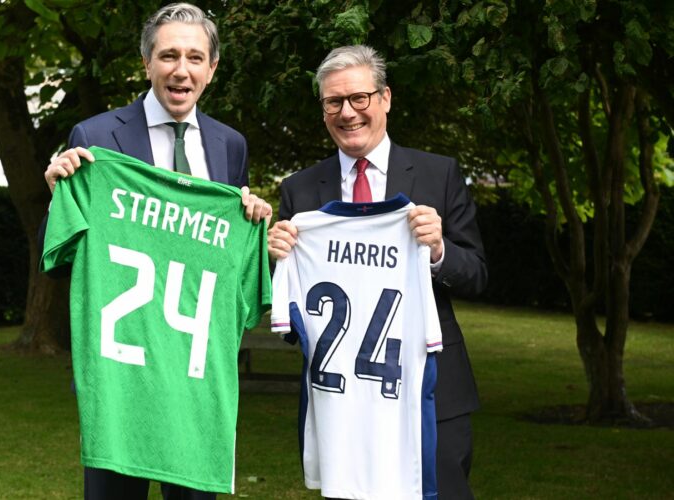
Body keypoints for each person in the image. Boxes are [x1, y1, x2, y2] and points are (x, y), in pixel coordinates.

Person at [41, 4, 271, 499]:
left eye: (195, 57)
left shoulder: (231, 146)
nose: (180, 69)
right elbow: (61, 257)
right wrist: (58, 191)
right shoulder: (96, 138)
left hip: (194, 379)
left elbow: (226, 250)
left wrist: (251, 216)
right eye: (168, 55)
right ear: (147, 63)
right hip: (121, 376)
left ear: (211, 69)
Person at [267, 45, 487, 499]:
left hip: (433, 392)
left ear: (385, 98)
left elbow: (478, 274)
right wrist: (274, 258)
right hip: (343, 399)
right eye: (334, 102)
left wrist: (438, 250)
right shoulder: (300, 190)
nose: (348, 113)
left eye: (359, 98)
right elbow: (286, 305)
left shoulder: (438, 174)